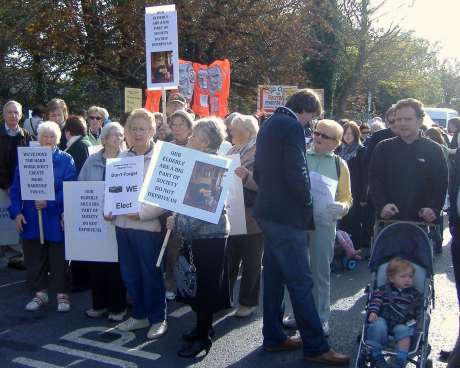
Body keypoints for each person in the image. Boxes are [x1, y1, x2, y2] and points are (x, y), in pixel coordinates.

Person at [253, 89, 350, 365]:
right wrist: (307, 200)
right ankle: (316, 346)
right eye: (313, 119)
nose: (311, 126)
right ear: (306, 110)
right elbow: (298, 172)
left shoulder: (270, 122)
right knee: (301, 281)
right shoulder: (293, 126)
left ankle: (273, 336)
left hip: (267, 211)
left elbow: (259, 169)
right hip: (287, 217)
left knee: (273, 277)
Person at [166, 117, 231, 358]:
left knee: (205, 287)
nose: (190, 138)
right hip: (203, 236)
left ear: (204, 142)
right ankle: (202, 328)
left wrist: (178, 222)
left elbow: (202, 210)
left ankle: (203, 337)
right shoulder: (202, 161)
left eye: (194, 136)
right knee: (202, 285)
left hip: (209, 237)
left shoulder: (209, 166)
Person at [111, 108, 167, 340]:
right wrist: (109, 209)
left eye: (142, 128)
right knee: (130, 275)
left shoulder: (160, 159)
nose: (137, 133)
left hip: (147, 228)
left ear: (152, 131)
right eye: (133, 128)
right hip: (122, 227)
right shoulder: (122, 158)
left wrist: (141, 213)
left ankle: (158, 318)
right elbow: (112, 188)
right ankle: (139, 314)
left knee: (151, 275)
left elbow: (165, 196)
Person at [9, 121, 76, 312]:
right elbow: (16, 189)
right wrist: (17, 212)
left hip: (55, 216)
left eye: (52, 136)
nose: (48, 139)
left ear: (58, 138)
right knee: (34, 257)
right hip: (31, 216)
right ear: (38, 138)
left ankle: (62, 294)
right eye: (44, 136)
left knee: (59, 257)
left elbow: (69, 187)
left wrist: (50, 202)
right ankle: (40, 293)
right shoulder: (27, 159)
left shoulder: (66, 159)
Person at [306, 119, 352, 336]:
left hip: (323, 224)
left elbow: (347, 198)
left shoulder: (339, 164)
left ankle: (321, 317)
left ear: (336, 142)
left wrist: (341, 207)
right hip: (298, 222)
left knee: (320, 272)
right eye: (316, 132)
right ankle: (299, 314)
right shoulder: (302, 155)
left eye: (324, 136)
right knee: (298, 271)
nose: (317, 137)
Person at [369, 98, 448, 223]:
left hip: (423, 222)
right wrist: (382, 205)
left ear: (420, 120)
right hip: (389, 221)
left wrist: (433, 208)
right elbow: (375, 179)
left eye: (407, 119)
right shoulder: (383, 148)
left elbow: (441, 183)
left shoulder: (434, 149)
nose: (402, 123)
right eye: (399, 119)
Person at [78, 122, 127, 322]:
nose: (118, 138)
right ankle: (99, 305)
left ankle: (118, 308)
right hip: (96, 222)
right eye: (113, 135)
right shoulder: (91, 161)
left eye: (121, 135)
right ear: (104, 139)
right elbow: (81, 187)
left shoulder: (128, 160)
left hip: (120, 221)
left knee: (116, 267)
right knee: (97, 264)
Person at [226, 113, 263, 318]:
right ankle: (225, 298)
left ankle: (248, 302)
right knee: (229, 258)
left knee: (251, 261)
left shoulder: (261, 153)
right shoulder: (232, 150)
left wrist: (246, 176)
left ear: (247, 132)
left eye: (234, 129)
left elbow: (265, 185)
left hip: (252, 217)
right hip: (232, 214)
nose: (231, 131)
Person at [366, 257, 422, 368]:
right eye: (403, 276)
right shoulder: (383, 290)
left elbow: (419, 309)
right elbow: (376, 301)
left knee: (404, 331)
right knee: (378, 324)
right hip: (385, 320)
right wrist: (373, 312)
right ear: (391, 278)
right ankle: (376, 355)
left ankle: (400, 361)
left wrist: (419, 320)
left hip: (404, 322)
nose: (407, 279)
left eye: (410, 276)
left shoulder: (414, 294)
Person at [0, 101, 32, 269]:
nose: (13, 115)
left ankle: (14, 257)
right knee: (2, 221)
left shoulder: (26, 135)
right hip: (2, 185)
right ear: (4, 114)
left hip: (19, 186)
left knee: (13, 222)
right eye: (10, 112)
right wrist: (6, 184)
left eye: (16, 112)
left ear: (21, 115)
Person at [338, 121, 367, 250]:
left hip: (355, 191)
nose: (348, 136)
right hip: (340, 190)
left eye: (351, 133)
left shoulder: (361, 151)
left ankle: (356, 247)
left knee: (354, 220)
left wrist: (363, 196)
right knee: (342, 220)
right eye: (345, 133)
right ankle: (344, 247)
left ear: (356, 135)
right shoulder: (339, 150)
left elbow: (365, 175)